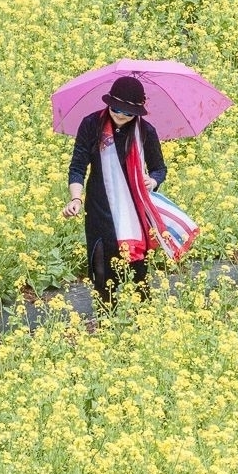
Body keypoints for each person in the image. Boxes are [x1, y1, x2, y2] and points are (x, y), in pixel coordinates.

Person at [62, 75, 167, 307]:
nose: (120, 115)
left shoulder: (146, 131)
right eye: (116, 108)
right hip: (100, 209)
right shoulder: (91, 124)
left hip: (135, 212)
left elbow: (159, 169)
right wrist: (76, 199)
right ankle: (106, 321)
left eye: (128, 112)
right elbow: (78, 166)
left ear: (138, 112)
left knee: (138, 271)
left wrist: (154, 181)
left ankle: (143, 322)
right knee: (101, 269)